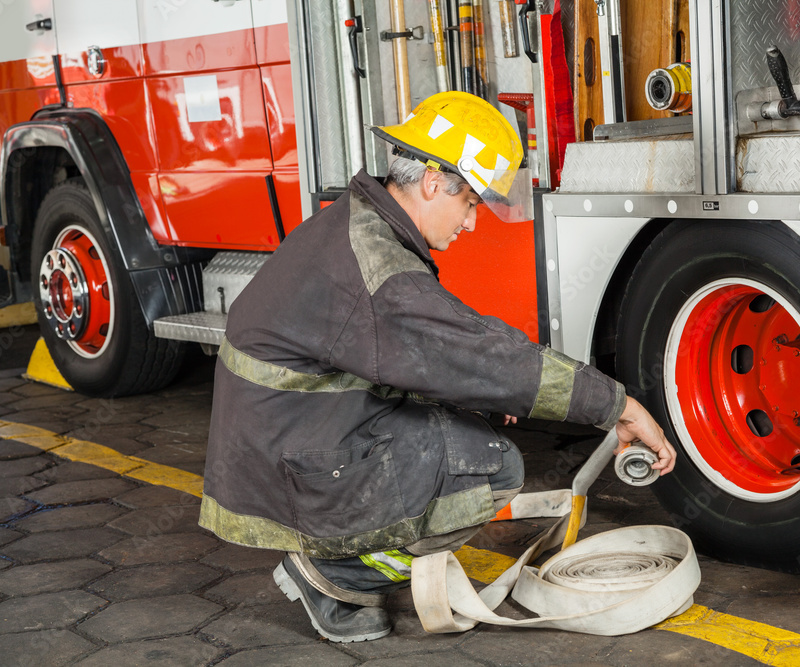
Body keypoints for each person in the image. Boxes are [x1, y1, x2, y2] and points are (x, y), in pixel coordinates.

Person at [198, 91, 676, 643]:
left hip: (284, 437)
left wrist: (476, 390)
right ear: (431, 181)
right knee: (487, 467)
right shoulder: (378, 268)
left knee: (466, 421)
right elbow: (478, 354)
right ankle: (336, 573)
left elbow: (428, 352)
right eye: (470, 201)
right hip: (288, 462)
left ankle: (340, 555)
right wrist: (616, 407)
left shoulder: (360, 226)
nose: (472, 223)